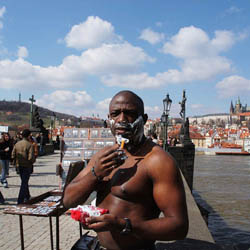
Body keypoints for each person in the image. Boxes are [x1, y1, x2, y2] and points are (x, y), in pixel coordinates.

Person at [63, 90, 188, 250]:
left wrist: (122, 225)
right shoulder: (103, 156)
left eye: (129, 113)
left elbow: (179, 226)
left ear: (143, 119)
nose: (121, 119)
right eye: (115, 114)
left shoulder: (158, 161)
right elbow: (68, 201)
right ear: (109, 119)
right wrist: (95, 174)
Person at [12, 129, 35, 204]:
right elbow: (31, 157)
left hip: (19, 165)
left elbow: (13, 155)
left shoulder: (17, 144)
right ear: (28, 136)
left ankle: (27, 196)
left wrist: (15, 162)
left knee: (24, 181)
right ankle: (20, 200)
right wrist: (32, 162)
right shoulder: (29, 145)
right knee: (24, 183)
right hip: (27, 166)